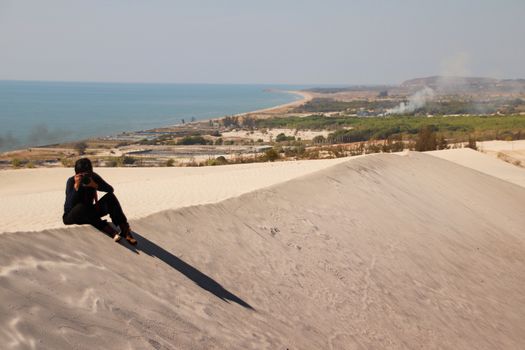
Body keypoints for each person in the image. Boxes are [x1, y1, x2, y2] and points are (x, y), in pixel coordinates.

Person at [63, 158, 137, 245]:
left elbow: (110, 189)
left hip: (90, 212)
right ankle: (108, 230)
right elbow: (68, 206)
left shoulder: (93, 177)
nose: (86, 176)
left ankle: (124, 229)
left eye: (88, 173)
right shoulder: (71, 181)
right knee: (82, 206)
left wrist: (95, 185)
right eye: (82, 174)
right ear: (77, 173)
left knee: (110, 197)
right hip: (73, 216)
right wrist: (76, 187)